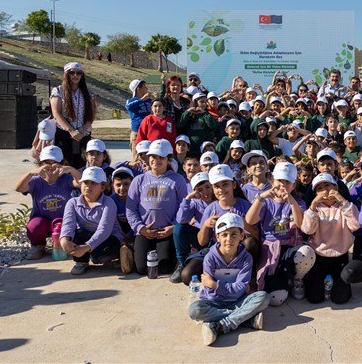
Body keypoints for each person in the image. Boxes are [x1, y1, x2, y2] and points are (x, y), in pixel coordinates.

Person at [188, 212, 269, 346]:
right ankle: (245, 319)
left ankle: (221, 325)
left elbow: (239, 289)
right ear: (217, 237)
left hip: (238, 301)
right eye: (224, 235)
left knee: (263, 297)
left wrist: (215, 285)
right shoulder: (210, 258)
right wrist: (218, 288)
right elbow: (211, 292)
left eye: (234, 234)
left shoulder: (246, 258)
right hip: (214, 302)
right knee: (194, 310)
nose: (229, 239)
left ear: (242, 236)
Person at [245, 162, 315, 306]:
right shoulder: (264, 201)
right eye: (279, 180)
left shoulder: (298, 202)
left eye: (287, 182)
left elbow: (300, 223)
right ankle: (283, 279)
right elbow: (250, 220)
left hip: (290, 245)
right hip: (270, 249)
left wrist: (291, 202)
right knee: (276, 299)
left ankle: (297, 278)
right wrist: (261, 198)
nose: (282, 185)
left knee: (307, 252)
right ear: (272, 181)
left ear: (293, 185)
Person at [125, 139, 188, 276]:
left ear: (169, 159)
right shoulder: (139, 180)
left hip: (166, 231)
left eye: (161, 157)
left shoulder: (177, 180)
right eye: (153, 156)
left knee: (165, 268)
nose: (156, 160)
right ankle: (130, 247)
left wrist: (173, 227)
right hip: (144, 231)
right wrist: (140, 228)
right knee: (142, 269)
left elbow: (184, 208)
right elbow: (130, 208)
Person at [301, 173, 360, 304]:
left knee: (340, 299)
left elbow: (355, 225)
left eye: (327, 185)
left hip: (340, 255)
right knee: (314, 298)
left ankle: (335, 283)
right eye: (319, 189)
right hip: (319, 256)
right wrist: (313, 205)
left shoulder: (346, 207)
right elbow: (307, 230)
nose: (324, 191)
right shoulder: (315, 209)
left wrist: (342, 200)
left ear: (336, 187)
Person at [15, 145, 81, 260]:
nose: (50, 167)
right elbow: (19, 188)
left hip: (63, 219)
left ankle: (64, 243)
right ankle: (38, 245)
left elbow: (81, 184)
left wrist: (71, 170)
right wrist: (30, 173)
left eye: (54, 163)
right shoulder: (36, 181)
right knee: (34, 226)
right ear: (40, 165)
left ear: (62, 163)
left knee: (75, 229)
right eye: (46, 163)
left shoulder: (66, 179)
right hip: (42, 218)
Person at [59, 167, 124, 275]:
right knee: (76, 235)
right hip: (87, 234)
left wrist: (87, 247)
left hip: (110, 237)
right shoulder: (72, 203)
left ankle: (120, 254)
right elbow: (68, 224)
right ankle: (81, 262)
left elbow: (104, 231)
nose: (88, 186)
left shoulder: (109, 203)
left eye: (93, 183)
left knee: (99, 257)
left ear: (102, 186)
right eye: (85, 182)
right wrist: (64, 240)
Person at [50, 62, 96, 168]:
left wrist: (82, 130)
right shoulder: (58, 91)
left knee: (82, 164)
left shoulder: (88, 93)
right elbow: (56, 113)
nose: (75, 75)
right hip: (64, 133)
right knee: (65, 163)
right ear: (66, 74)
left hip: (83, 133)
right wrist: (71, 130)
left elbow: (91, 114)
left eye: (79, 73)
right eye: (72, 73)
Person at [126, 79, 153, 160]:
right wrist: (141, 100)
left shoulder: (149, 100)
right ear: (138, 89)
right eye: (144, 87)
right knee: (137, 157)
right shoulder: (131, 101)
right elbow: (128, 107)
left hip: (149, 131)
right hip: (137, 132)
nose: (147, 89)